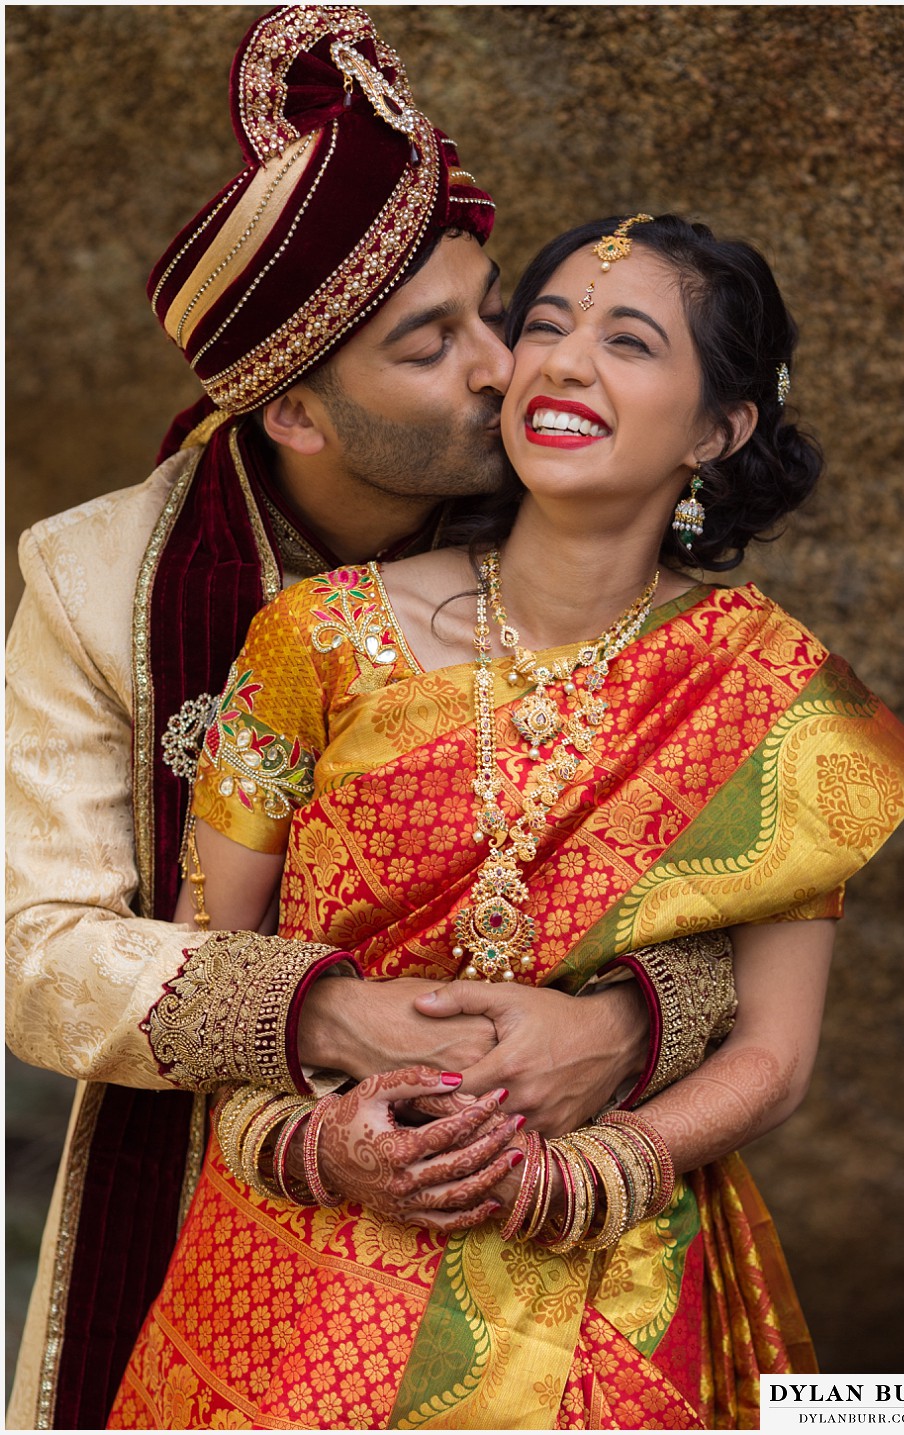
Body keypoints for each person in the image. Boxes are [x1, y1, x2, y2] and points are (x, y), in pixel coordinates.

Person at [4, 10, 734, 1428]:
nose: (503, 363)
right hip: (223, 1186)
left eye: (492, 307)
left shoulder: (593, 526)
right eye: (429, 344)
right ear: (295, 415)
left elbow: (733, 886)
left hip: (569, 1203)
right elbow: (30, 944)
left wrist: (619, 1034)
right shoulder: (99, 583)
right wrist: (325, 1015)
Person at [107, 211, 904, 1429]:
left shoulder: (765, 689)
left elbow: (776, 1053)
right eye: (542, 324)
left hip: (604, 1280)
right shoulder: (322, 635)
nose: (559, 361)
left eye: (630, 342)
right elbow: (204, 962)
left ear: (720, 429)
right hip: (303, 1264)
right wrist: (312, 1142)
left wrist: (584, 1176)